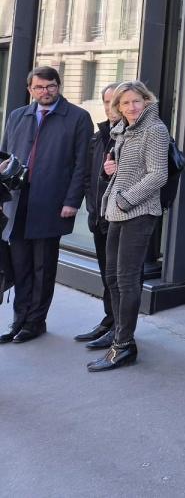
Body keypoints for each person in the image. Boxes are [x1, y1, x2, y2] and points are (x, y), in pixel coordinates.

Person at [0, 66, 93, 344]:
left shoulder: (78, 117)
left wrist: (72, 201)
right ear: (30, 89)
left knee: (43, 267)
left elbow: (82, 166)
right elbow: (3, 158)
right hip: (16, 202)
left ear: (59, 86)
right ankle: (18, 320)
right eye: (39, 87)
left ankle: (35, 322)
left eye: (50, 86)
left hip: (51, 202)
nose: (45, 92)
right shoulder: (17, 116)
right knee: (19, 266)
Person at [87, 80, 170, 372]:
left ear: (146, 101)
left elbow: (158, 174)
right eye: (125, 103)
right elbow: (129, 172)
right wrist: (113, 171)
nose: (131, 107)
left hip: (139, 211)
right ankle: (119, 337)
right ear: (118, 107)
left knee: (126, 279)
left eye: (136, 101)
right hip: (116, 212)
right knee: (112, 277)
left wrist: (125, 200)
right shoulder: (123, 130)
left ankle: (124, 345)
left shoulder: (154, 130)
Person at [75, 83, 121, 348]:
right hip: (98, 217)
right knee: (107, 274)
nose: (110, 107)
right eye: (106, 102)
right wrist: (92, 209)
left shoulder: (129, 135)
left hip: (121, 218)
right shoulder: (99, 135)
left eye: (115, 101)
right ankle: (109, 320)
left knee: (119, 277)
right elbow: (88, 176)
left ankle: (121, 329)